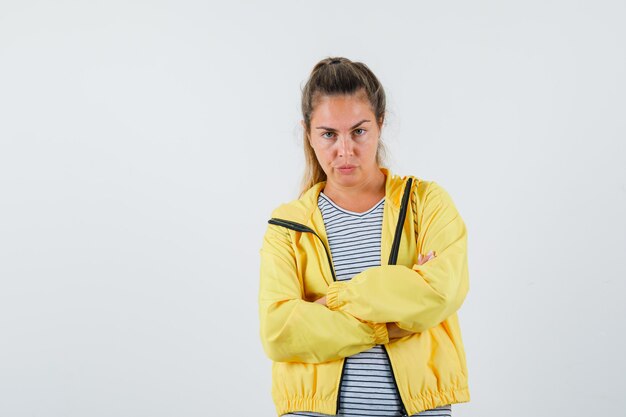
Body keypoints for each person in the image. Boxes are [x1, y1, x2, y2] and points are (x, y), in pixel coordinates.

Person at [258, 57, 470, 417]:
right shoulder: (286, 226)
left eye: (359, 131)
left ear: (380, 125)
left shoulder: (426, 204)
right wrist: (390, 316)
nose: (345, 151)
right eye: (328, 134)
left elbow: (439, 292)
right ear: (307, 132)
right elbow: (279, 331)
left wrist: (331, 302)